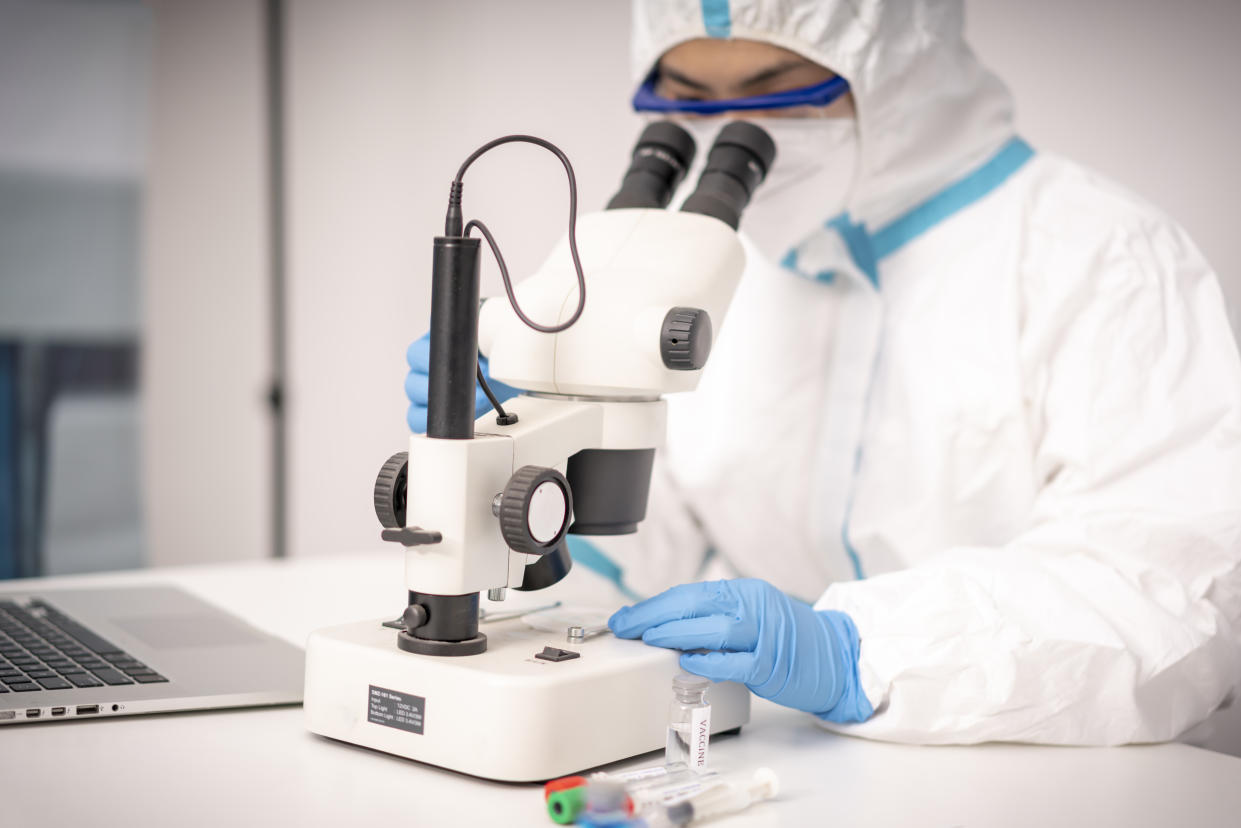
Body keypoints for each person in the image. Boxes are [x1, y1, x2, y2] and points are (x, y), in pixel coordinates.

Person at [405, 0, 1241, 745]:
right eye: (689, 103)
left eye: (780, 86)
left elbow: (1170, 597)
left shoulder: (1105, 258)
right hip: (783, 760)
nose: (733, 129)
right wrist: (535, 450)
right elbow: (661, 555)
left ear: (897, 71)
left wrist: (859, 653)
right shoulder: (713, 269)